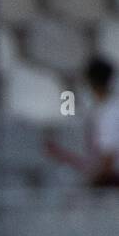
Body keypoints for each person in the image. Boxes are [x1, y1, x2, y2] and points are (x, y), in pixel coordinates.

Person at [45, 56, 119, 187]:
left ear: (91, 82)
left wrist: (91, 185)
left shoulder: (109, 114)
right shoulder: (102, 110)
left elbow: (108, 158)